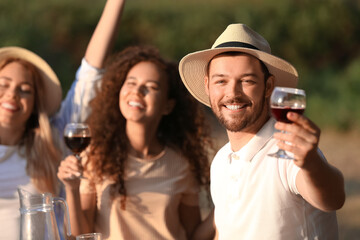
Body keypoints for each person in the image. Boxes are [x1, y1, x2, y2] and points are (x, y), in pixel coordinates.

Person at [57, 0, 215, 239]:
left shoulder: (182, 164)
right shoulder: (96, 155)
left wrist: (228, 203)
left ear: (168, 106)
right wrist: (71, 188)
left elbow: (193, 235)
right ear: (118, 92)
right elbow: (82, 234)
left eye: (150, 87)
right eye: (131, 83)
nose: (137, 92)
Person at [178, 23, 346, 239]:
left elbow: (333, 198)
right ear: (207, 85)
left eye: (247, 81)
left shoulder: (287, 149)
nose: (232, 93)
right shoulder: (221, 161)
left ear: (268, 87)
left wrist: (311, 160)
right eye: (221, 81)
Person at [0, 6, 106, 239]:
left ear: (35, 102)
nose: (12, 95)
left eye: (25, 90)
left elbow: (90, 75)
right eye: (3, 84)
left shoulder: (51, 141)